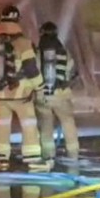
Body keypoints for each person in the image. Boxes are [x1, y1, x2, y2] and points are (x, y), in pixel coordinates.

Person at [0, 4, 47, 169]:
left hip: (0, 94)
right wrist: (39, 86)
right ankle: (33, 158)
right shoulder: (23, 42)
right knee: (28, 124)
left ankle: (1, 159)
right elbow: (30, 67)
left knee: (2, 126)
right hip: (21, 94)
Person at [34, 21, 80, 161]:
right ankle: (73, 153)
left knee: (46, 126)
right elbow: (73, 71)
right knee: (68, 123)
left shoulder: (38, 51)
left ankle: (48, 155)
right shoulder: (64, 52)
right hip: (61, 93)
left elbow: (34, 71)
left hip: (43, 94)